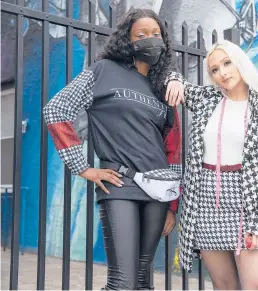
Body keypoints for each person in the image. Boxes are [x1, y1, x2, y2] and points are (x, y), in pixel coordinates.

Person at [43, 9, 183, 290]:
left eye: (156, 35)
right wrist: (83, 167)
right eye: (141, 35)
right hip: (120, 184)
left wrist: (172, 205)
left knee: (143, 281)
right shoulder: (103, 71)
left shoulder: (162, 87)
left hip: (158, 189)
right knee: (122, 282)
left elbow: (172, 148)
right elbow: (56, 110)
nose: (150, 40)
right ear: (127, 41)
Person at [164, 40, 258, 290]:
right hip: (206, 203)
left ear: (240, 62)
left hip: (248, 205)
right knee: (224, 286)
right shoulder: (206, 98)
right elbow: (169, 74)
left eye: (227, 63)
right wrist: (175, 79)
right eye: (215, 70)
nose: (222, 73)